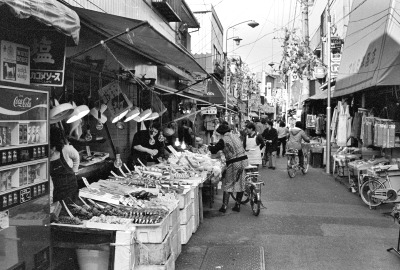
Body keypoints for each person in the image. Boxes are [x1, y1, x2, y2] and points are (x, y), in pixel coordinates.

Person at [208, 123, 248, 213]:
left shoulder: (223, 140)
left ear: (221, 133)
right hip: (244, 160)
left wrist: (209, 147)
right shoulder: (235, 136)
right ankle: (237, 205)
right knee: (241, 182)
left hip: (234, 162)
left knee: (229, 183)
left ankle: (224, 206)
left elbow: (214, 150)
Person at [50, 126, 80, 203]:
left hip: (71, 186)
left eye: (51, 148)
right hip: (57, 190)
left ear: (55, 146)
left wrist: (75, 170)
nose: (49, 151)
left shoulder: (66, 149)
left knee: (74, 208)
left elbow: (76, 156)